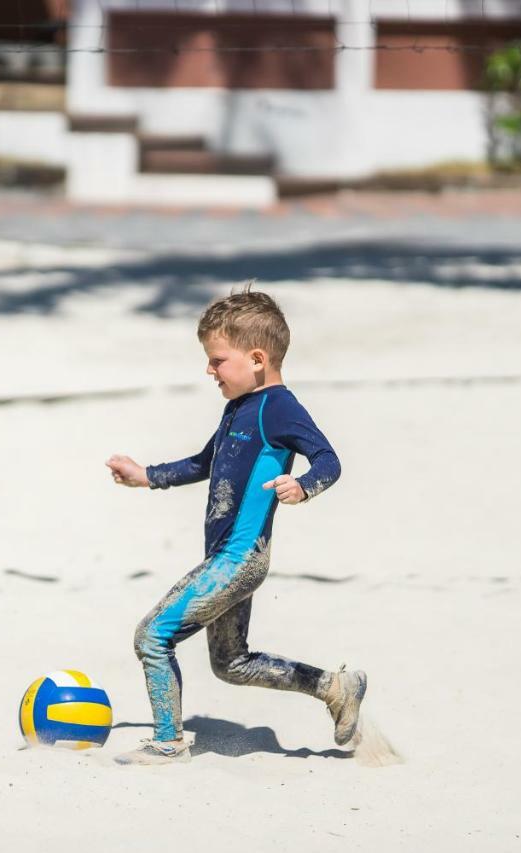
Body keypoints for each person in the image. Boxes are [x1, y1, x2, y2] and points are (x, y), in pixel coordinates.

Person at [105, 289, 366, 765]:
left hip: (240, 558)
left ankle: (168, 742)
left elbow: (329, 459)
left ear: (258, 358)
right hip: (225, 558)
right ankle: (333, 687)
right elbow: (206, 462)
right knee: (231, 663)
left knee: (152, 637)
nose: (210, 370)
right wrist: (148, 476)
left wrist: (304, 486)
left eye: (217, 360)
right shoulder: (238, 407)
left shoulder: (279, 408)